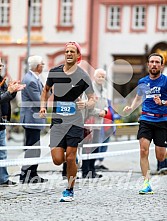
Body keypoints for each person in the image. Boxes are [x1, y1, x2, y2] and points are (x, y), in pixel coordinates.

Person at [40, 41, 95, 202]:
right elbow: (45, 91)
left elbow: (92, 98)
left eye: (72, 51)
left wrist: (86, 103)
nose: (69, 54)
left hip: (75, 121)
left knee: (70, 157)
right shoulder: (54, 72)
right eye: (67, 51)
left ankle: (69, 189)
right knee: (57, 160)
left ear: (78, 56)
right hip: (57, 121)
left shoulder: (83, 76)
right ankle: (73, 163)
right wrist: (43, 107)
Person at [123, 53, 167, 194]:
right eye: (152, 62)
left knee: (160, 156)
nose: (154, 64)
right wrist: (131, 107)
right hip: (146, 119)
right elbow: (138, 97)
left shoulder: (165, 81)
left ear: (161, 65)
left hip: (162, 121)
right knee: (143, 150)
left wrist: (163, 102)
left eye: (157, 62)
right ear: (148, 64)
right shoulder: (142, 81)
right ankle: (146, 183)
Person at [20, 55, 48, 183]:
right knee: (32, 148)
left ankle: (32, 174)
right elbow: (39, 101)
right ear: (38, 66)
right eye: (42, 63)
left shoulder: (34, 78)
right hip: (32, 118)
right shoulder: (31, 80)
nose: (43, 65)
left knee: (34, 148)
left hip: (33, 119)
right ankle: (27, 175)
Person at [0, 58, 25, 186]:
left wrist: (13, 91)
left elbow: (6, 98)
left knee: (3, 153)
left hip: (2, 122)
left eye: (1, 64)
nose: (0, 67)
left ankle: (3, 179)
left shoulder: (2, 80)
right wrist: (9, 92)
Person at [81, 68, 109, 178]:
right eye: (99, 76)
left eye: (103, 77)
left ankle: (92, 170)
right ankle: (85, 171)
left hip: (99, 122)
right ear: (94, 77)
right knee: (87, 147)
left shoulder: (105, 90)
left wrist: (105, 111)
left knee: (96, 146)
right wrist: (99, 112)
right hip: (89, 122)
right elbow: (86, 105)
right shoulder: (89, 89)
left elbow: (106, 104)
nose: (101, 78)